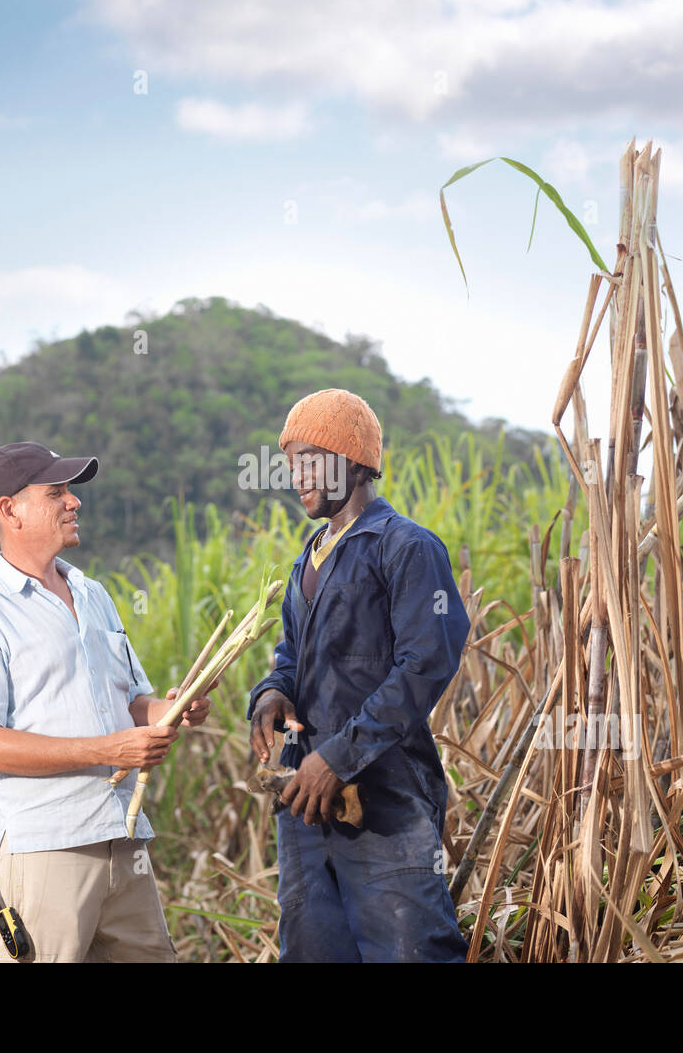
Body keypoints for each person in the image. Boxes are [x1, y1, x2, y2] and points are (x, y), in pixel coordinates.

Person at [0, 440, 212, 962]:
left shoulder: (94, 595)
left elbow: (136, 706)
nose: (75, 502)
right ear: (10, 510)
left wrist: (177, 710)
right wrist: (108, 751)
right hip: (46, 848)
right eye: (57, 492)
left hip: (124, 840)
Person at [247, 389, 471, 962]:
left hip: (385, 797)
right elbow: (293, 649)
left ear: (352, 461)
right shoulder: (310, 555)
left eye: (307, 460)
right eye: (289, 463)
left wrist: (340, 757)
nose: (294, 475)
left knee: (410, 948)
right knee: (315, 948)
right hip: (305, 800)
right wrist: (274, 690)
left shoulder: (407, 548)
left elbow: (427, 663)